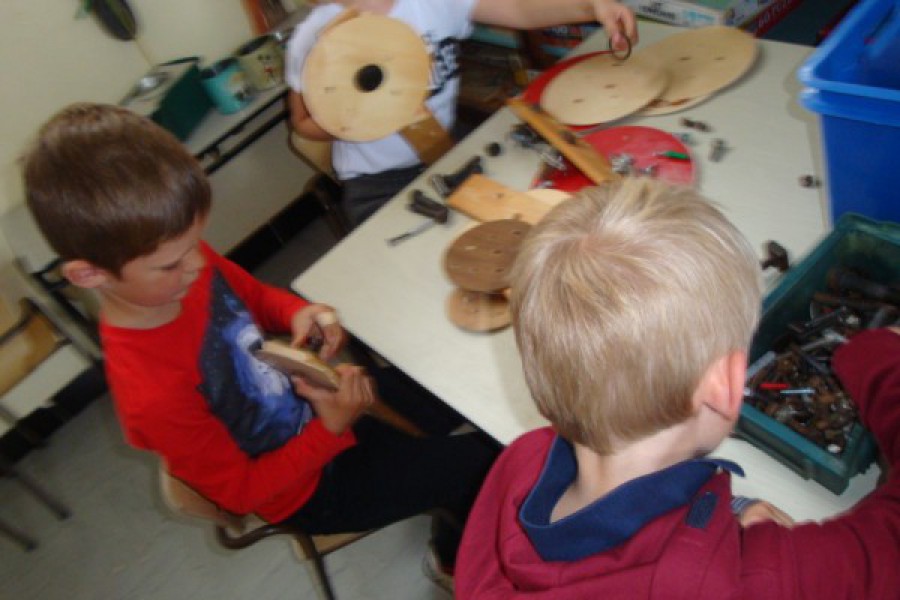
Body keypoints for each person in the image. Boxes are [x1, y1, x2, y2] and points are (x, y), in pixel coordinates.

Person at [21, 103, 497, 591]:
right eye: (170, 264)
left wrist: (294, 312)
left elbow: (250, 296)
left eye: (196, 243)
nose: (194, 265)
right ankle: (453, 558)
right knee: (483, 467)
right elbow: (243, 493)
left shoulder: (176, 257)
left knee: (455, 386)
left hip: (324, 411)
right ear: (89, 274)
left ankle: (456, 506)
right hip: (311, 488)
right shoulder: (152, 393)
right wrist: (331, 429)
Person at [455, 178, 900, 598]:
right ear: (726, 386)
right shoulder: (765, 578)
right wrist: (875, 355)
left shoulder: (520, 465)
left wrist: (722, 514)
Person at [285, 0, 638, 226]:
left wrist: (591, 7)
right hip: (376, 183)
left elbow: (517, 9)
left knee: (526, 221)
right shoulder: (316, 35)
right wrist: (365, 115)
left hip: (446, 152)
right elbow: (302, 123)